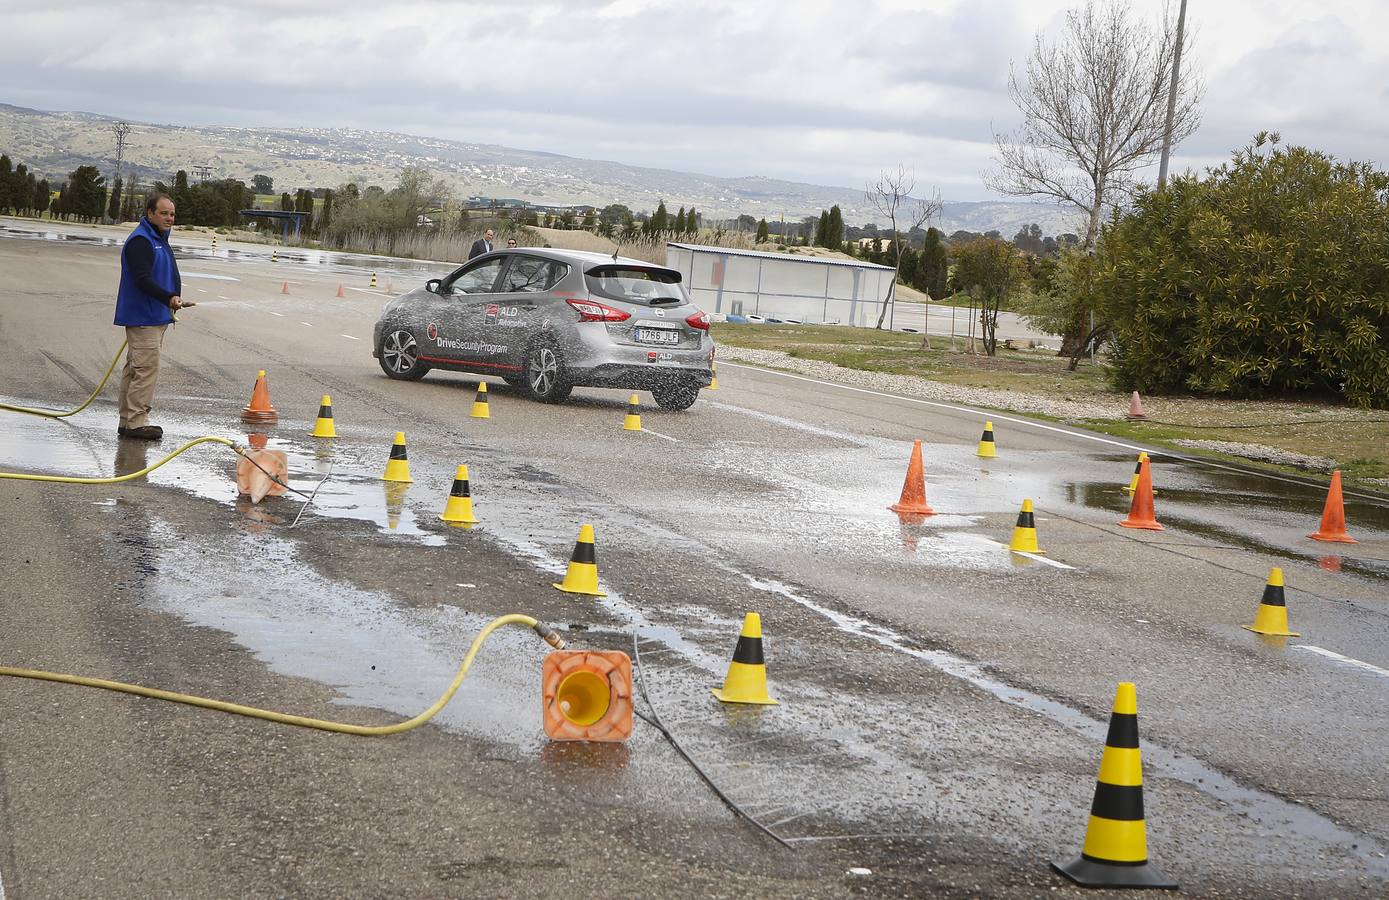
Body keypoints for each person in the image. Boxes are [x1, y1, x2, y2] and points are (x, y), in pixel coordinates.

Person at [113, 193, 191, 440]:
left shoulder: (157, 238)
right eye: (164, 213)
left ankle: (128, 419)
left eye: (172, 214)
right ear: (150, 213)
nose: (170, 218)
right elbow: (142, 279)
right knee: (145, 369)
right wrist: (169, 298)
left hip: (154, 316)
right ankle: (136, 421)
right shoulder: (141, 240)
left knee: (135, 369)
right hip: (143, 316)